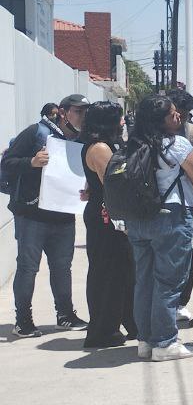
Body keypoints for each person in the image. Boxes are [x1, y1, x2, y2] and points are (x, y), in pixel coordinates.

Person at [125, 94, 193, 362]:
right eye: (173, 113)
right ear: (160, 120)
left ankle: (145, 341)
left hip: (138, 218)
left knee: (145, 281)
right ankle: (165, 342)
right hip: (171, 216)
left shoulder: (134, 144)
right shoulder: (178, 144)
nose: (178, 116)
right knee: (168, 283)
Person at [4, 94, 91, 337]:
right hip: (32, 214)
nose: (83, 116)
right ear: (63, 112)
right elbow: (7, 162)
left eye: (85, 112)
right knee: (28, 268)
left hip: (63, 214)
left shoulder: (81, 139)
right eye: (78, 111)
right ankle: (23, 320)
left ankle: (65, 315)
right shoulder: (37, 132)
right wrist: (31, 161)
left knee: (62, 268)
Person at [79, 101, 137, 349]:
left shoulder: (104, 145)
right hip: (106, 218)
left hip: (105, 213)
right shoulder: (100, 148)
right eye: (119, 118)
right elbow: (114, 184)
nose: (122, 123)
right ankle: (102, 329)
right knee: (108, 273)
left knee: (123, 272)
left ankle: (127, 322)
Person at [168, 88, 193, 322]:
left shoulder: (192, 134)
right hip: (163, 206)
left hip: (190, 203)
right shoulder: (151, 133)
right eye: (176, 114)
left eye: (185, 114)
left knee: (189, 255)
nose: (180, 119)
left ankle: (182, 301)